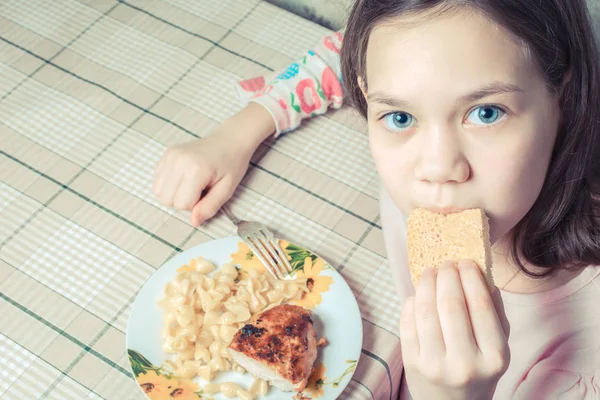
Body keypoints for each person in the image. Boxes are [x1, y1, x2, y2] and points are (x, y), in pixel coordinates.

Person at [153, 0, 600, 398]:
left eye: (486, 113)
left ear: (565, 93)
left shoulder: (579, 365)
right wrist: (241, 132)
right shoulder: (408, 64)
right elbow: (349, 54)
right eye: (401, 116)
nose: (438, 166)